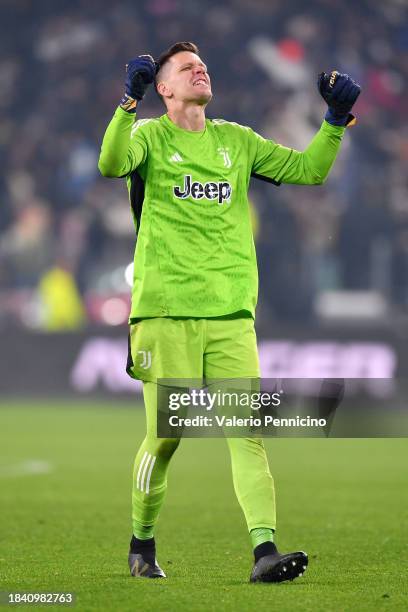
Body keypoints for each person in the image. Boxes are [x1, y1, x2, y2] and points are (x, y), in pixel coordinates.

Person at [98, 41, 361, 583]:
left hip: (231, 314)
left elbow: (309, 170)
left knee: (246, 433)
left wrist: (334, 120)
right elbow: (109, 163)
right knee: (168, 437)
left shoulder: (236, 141)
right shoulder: (148, 135)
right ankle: (141, 542)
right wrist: (128, 100)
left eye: (203, 64)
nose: (200, 68)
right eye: (185, 67)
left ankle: (264, 551)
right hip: (165, 310)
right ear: (164, 88)